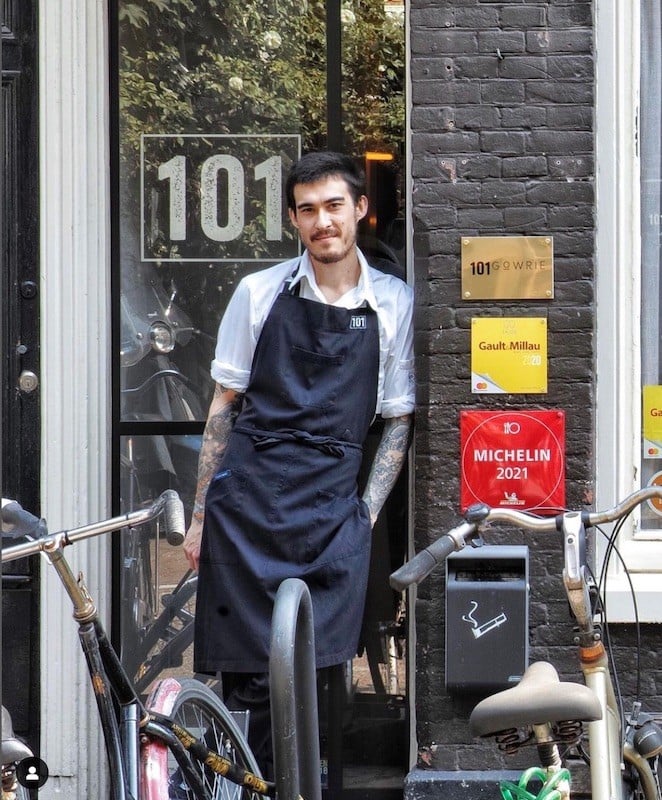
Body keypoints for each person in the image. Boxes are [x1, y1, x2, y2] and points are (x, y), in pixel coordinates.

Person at [183, 150, 414, 777]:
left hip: (331, 507)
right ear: (293, 219)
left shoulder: (392, 302)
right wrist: (202, 516)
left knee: (321, 678)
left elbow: (397, 418)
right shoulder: (258, 293)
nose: (323, 222)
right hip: (248, 501)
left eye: (334, 206)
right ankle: (248, 787)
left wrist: (363, 516)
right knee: (248, 685)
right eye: (307, 210)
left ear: (360, 210)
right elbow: (224, 406)